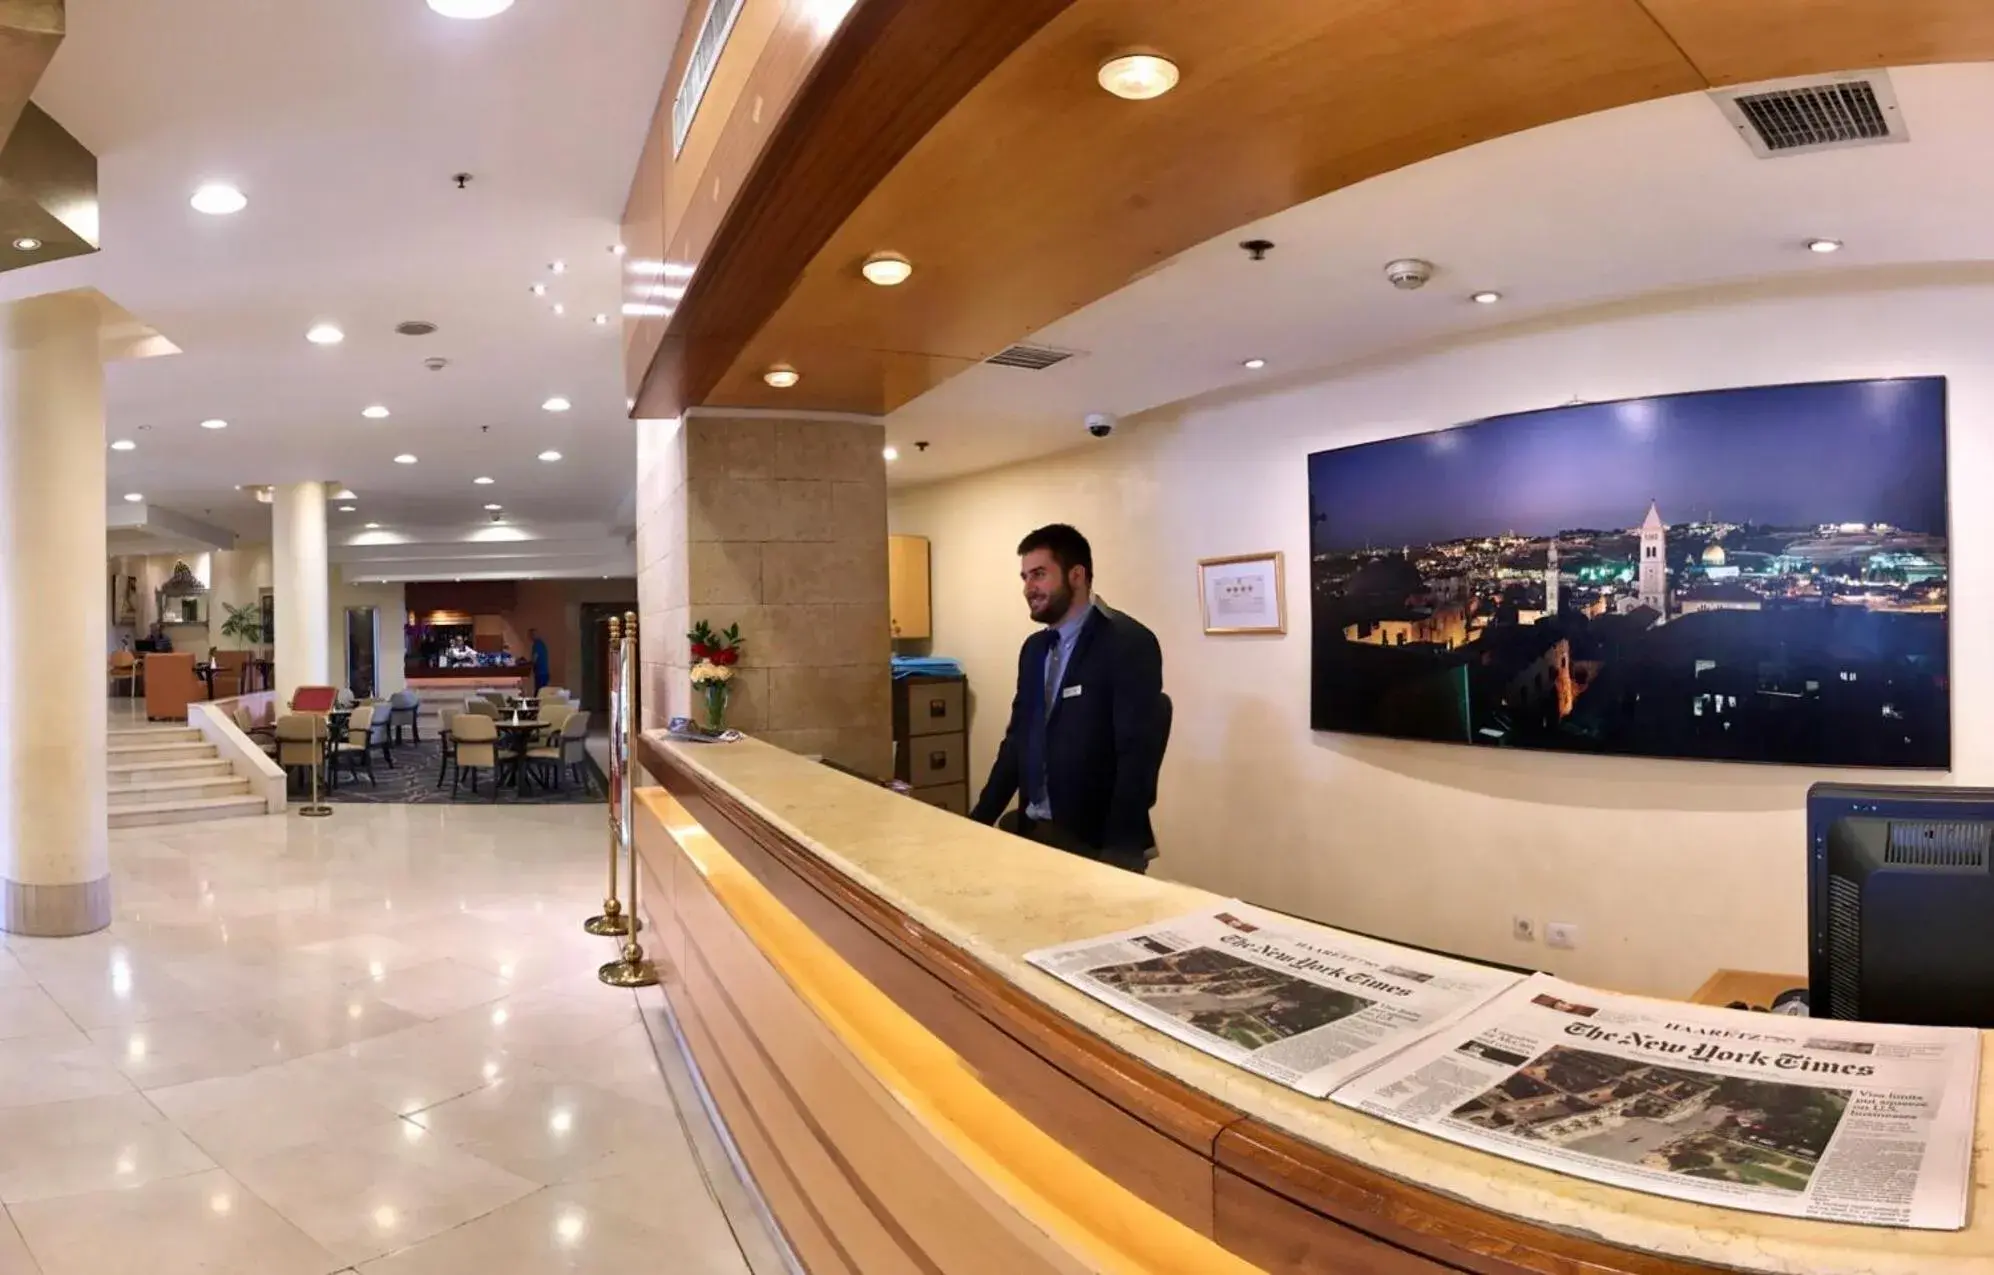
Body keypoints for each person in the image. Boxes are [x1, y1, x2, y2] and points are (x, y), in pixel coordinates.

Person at [970, 523, 1165, 873]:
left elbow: (1137, 757)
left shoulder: (1127, 642)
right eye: (1025, 577)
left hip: (1100, 843)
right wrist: (977, 822)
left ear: (1077, 575)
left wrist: (1118, 854)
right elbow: (1017, 742)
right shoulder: (1034, 650)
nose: (1029, 588)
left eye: (1040, 574)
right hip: (1039, 834)